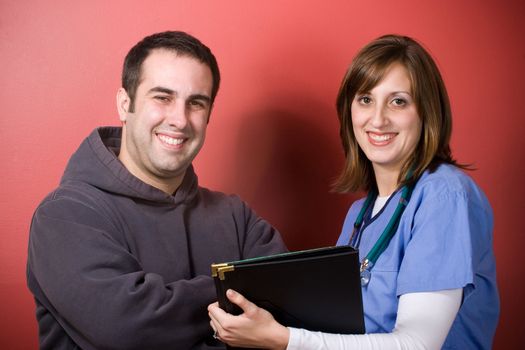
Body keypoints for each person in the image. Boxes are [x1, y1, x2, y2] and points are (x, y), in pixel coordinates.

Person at [208, 34, 499, 349]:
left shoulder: (444, 195)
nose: (378, 119)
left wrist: (283, 339)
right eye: (365, 99)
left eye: (398, 101)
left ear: (427, 111)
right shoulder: (359, 215)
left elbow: (417, 344)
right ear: (349, 110)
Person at [26, 31, 287, 350]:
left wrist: (166, 306)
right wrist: (235, 291)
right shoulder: (65, 217)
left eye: (196, 103)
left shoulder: (237, 217)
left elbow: (288, 303)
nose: (179, 119)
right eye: (162, 97)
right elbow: (128, 332)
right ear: (125, 104)